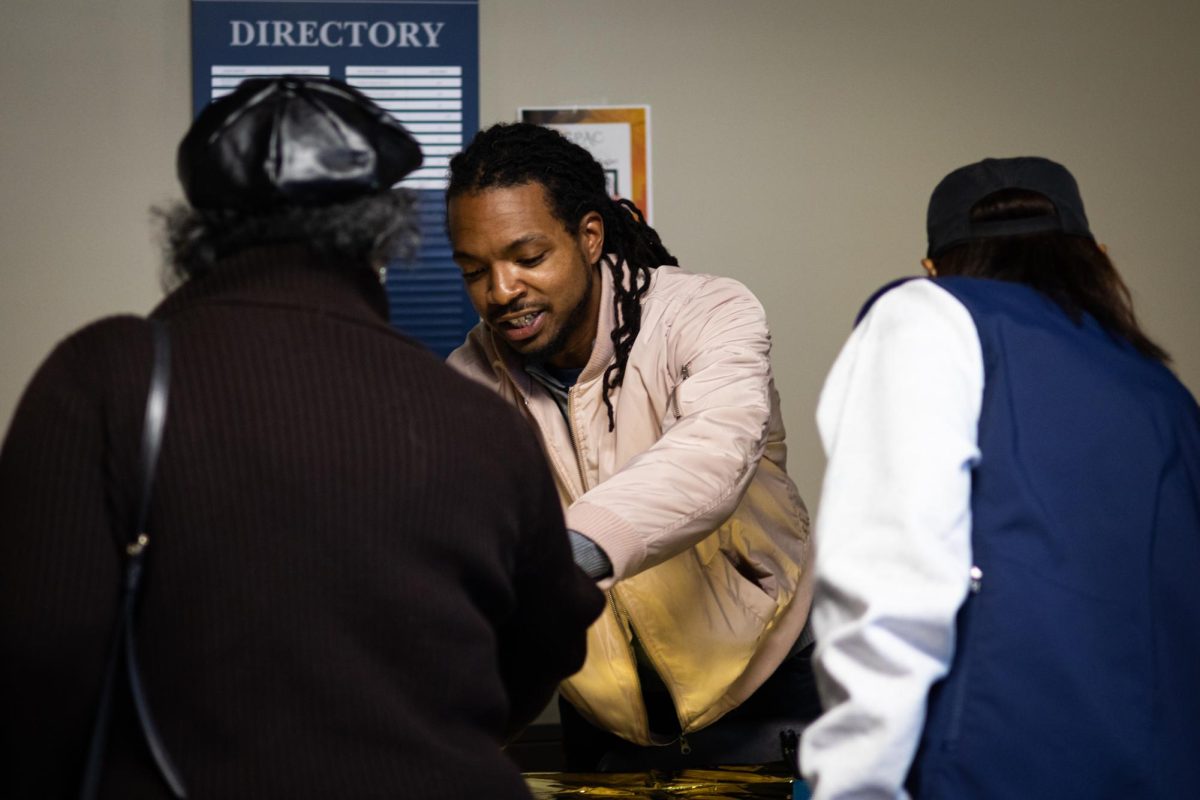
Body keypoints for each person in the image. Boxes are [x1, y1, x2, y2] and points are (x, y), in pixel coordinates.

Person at [0, 78, 603, 799]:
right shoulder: (476, 414)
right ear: (382, 228)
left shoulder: (104, 378)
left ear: (196, 226)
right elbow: (550, 637)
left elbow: (35, 658)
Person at [800, 156, 1200, 799]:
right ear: (1097, 255)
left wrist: (854, 786)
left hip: (992, 766)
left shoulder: (927, 315)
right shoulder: (1165, 394)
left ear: (935, 267)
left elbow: (888, 576)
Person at [445, 122, 817, 771]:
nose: (501, 291)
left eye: (528, 259)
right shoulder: (469, 381)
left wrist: (568, 554)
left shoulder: (707, 313)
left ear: (589, 237)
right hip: (605, 718)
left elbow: (710, 455)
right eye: (476, 270)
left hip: (769, 681)